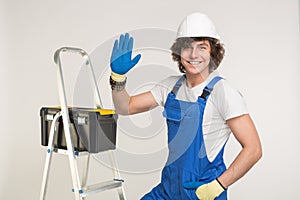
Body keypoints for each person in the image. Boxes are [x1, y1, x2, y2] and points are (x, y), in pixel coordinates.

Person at [109, 12, 262, 200]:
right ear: (179, 52)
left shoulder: (223, 92)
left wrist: (217, 186)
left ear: (212, 52)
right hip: (168, 189)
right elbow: (126, 107)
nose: (194, 54)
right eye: (187, 47)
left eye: (202, 47)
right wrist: (118, 79)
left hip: (202, 192)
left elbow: (253, 149)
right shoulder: (171, 86)